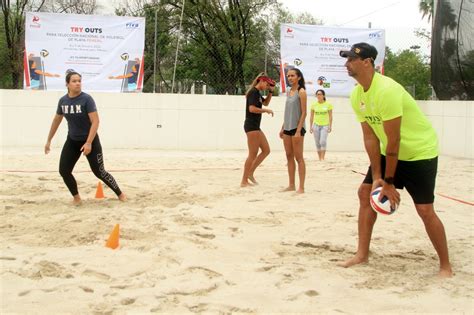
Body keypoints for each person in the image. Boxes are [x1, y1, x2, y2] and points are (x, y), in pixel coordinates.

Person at [339, 42, 452, 277]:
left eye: (351, 59)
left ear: (368, 62)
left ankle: (445, 266)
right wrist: (378, 177)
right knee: (364, 192)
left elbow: (395, 141)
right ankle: (362, 254)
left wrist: (389, 182)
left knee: (424, 210)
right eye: (346, 59)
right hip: (389, 151)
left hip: (419, 152)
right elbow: (370, 138)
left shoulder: (387, 90)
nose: (346, 64)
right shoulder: (357, 94)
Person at [45, 72, 126, 204]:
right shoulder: (63, 101)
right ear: (67, 84)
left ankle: (120, 194)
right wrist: (48, 140)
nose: (77, 83)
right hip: (72, 141)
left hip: (90, 140)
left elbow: (96, 121)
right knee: (64, 171)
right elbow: (56, 120)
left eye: (79, 81)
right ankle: (77, 198)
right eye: (74, 81)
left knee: (99, 172)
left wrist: (88, 143)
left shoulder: (87, 99)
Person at [241, 73, 275, 187]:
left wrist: (271, 92)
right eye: (267, 84)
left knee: (266, 150)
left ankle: (250, 173)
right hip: (251, 126)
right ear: (261, 81)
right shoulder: (253, 92)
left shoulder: (258, 94)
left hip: (255, 127)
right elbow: (252, 109)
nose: (267, 86)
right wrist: (265, 111)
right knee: (252, 154)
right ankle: (244, 181)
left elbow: (265, 102)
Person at [280, 68, 307, 194]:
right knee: (289, 156)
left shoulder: (301, 92)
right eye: (288, 76)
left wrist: (298, 130)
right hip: (287, 128)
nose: (290, 78)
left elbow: (304, 112)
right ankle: (291, 184)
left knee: (299, 157)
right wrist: (282, 127)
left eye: (292, 75)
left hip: (297, 129)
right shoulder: (289, 91)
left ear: (299, 77)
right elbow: (288, 112)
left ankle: (301, 187)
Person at [309, 89, 333, 161]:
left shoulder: (328, 105)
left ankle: (322, 158)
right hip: (316, 125)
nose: (318, 96)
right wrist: (311, 126)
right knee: (317, 142)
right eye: (317, 94)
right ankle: (319, 158)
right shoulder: (314, 105)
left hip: (325, 125)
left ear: (323, 95)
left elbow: (330, 116)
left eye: (320, 94)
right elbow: (311, 116)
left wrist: (330, 126)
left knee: (322, 141)